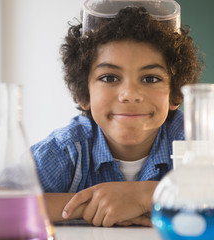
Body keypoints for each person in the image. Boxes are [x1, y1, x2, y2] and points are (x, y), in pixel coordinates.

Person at [31, 1, 202, 227]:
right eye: (109, 78)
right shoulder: (68, 150)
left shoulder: (194, 142)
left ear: (175, 94)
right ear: (85, 95)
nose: (130, 95)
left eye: (150, 78)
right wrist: (102, 203)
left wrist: (147, 196)